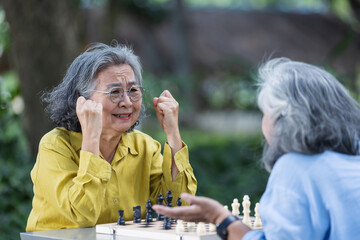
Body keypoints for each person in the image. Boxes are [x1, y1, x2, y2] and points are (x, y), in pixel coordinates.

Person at [153, 58, 360, 240]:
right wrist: (222, 218)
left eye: (265, 113)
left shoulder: (295, 167)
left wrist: (218, 217)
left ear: (282, 120)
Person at [26, 42, 197, 231]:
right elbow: (84, 215)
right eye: (114, 92)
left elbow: (178, 208)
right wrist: (91, 138)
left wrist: (173, 134)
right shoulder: (55, 146)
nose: (126, 102)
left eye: (133, 91)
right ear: (81, 100)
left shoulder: (145, 147)